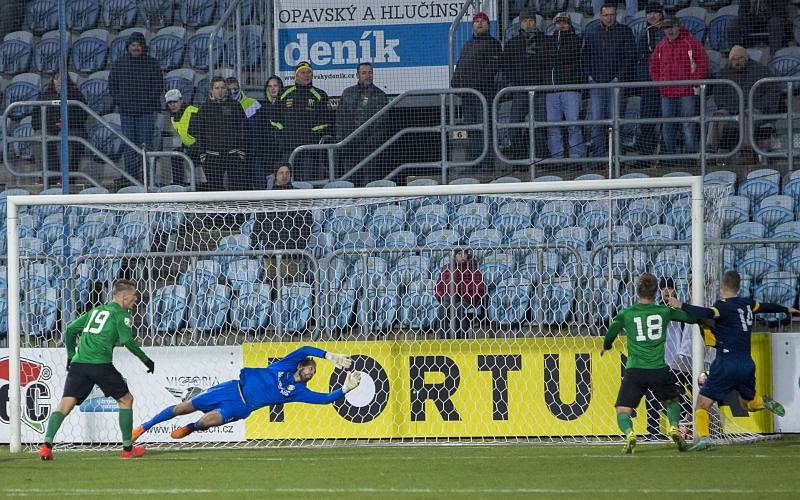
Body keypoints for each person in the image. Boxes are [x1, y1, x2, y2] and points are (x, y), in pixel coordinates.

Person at [666, 270, 798, 451]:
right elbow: (765, 306)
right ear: (739, 287)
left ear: (721, 287)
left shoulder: (722, 306)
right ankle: (763, 401)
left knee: (701, 405)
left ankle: (704, 438)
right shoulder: (748, 304)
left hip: (726, 362)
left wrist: (680, 304)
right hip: (746, 363)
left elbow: (705, 312)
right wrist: (785, 309)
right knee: (747, 404)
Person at [132, 346, 361, 441]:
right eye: (311, 368)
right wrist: (328, 356)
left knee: (206, 421)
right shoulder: (284, 366)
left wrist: (345, 389)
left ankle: (191, 429)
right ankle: (144, 427)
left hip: (241, 407)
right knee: (183, 407)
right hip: (231, 388)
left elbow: (324, 399)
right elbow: (304, 350)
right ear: (300, 366)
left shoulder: (298, 392)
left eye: (314, 372)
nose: (312, 372)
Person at [38, 280, 155, 460]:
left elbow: (70, 330)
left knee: (66, 404)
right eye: (133, 297)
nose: (135, 301)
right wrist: (146, 360)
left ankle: (46, 446)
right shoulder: (121, 314)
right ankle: (127, 449)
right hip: (101, 365)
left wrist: (70, 355)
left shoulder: (96, 310)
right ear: (123, 297)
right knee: (126, 399)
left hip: (79, 364)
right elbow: (127, 341)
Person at [601, 273, 697, 454]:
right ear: (655, 293)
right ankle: (674, 427)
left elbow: (611, 333)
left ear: (637, 291)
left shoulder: (626, 313)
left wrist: (606, 346)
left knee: (623, 409)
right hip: (658, 369)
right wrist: (682, 306)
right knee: (672, 401)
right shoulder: (664, 311)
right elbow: (690, 318)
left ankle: (629, 434)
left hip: (635, 370)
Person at [108, 31, 164, 186]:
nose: (136, 48)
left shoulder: (152, 64)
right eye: (133, 45)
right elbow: (112, 86)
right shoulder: (119, 64)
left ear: (143, 46)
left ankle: (147, 177)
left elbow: (158, 86)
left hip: (146, 112)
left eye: (138, 45)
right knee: (129, 146)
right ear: (128, 47)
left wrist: (147, 102)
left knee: (146, 144)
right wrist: (121, 101)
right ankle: (131, 178)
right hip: (126, 113)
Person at [581, 4, 636, 157]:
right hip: (597, 83)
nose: (609, 17)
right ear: (601, 16)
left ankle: (617, 155)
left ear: (615, 15)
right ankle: (599, 156)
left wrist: (619, 77)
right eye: (606, 15)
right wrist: (590, 76)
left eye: (612, 14)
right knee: (597, 121)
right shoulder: (592, 33)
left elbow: (630, 57)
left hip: (616, 83)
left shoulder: (625, 31)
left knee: (615, 121)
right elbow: (585, 57)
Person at [649, 15, 708, 156]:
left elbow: (703, 63)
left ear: (678, 26)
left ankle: (690, 155)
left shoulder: (691, 43)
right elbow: (653, 67)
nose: (669, 31)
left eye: (671, 27)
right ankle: (670, 155)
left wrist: (693, 80)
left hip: (686, 92)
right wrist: (660, 83)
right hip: (667, 93)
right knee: (668, 125)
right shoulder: (660, 46)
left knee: (688, 124)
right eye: (666, 28)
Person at [708, 46, 779, 161]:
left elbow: (773, 93)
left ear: (746, 58)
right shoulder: (723, 73)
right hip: (731, 112)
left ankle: (746, 152)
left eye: (740, 58)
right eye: (734, 59)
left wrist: (762, 107)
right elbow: (718, 97)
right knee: (718, 115)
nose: (737, 62)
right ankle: (710, 152)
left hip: (757, 111)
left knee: (746, 114)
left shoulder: (761, 71)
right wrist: (734, 109)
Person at [451, 11, 502, 168]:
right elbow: (460, 66)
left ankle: (486, 164)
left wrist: (473, 84)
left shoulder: (493, 44)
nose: (479, 23)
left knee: (485, 128)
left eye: (483, 21)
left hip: (484, 94)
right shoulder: (468, 44)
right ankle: (474, 162)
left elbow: (491, 69)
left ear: (488, 25)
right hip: (469, 96)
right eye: (476, 21)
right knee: (472, 129)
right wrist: (455, 83)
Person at [272, 61, 333, 181]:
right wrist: (282, 133)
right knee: (286, 180)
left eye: (309, 72)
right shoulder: (284, 93)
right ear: (296, 75)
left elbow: (326, 121)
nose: (306, 75)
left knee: (306, 179)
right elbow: (274, 118)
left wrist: (311, 134)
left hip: (309, 149)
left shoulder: (320, 95)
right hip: (287, 147)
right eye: (303, 72)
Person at [188, 76, 249, 191]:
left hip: (233, 156)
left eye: (223, 88)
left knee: (237, 190)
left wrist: (242, 150)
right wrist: (202, 153)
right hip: (212, 157)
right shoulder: (205, 108)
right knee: (215, 190)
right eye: (217, 88)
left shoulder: (235, 106)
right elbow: (199, 131)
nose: (220, 91)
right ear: (211, 90)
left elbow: (243, 129)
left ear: (227, 89)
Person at [502, 8, 547, 160]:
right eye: (525, 21)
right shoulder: (512, 43)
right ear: (520, 23)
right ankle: (519, 159)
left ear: (535, 22)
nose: (528, 24)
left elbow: (550, 62)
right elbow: (506, 66)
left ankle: (541, 160)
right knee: (514, 127)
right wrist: (515, 81)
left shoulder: (544, 40)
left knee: (540, 127)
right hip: (520, 91)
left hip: (540, 91)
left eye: (531, 20)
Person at [335, 62, 388, 185]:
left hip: (369, 148)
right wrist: (341, 142)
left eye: (370, 72)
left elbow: (381, 124)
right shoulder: (347, 93)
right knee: (349, 180)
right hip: (348, 147)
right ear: (357, 75)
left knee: (369, 181)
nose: (367, 75)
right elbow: (339, 120)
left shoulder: (380, 95)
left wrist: (371, 143)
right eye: (364, 73)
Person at [32, 72, 88, 182]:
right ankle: (43, 175)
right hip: (50, 130)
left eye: (62, 81)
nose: (59, 84)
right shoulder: (44, 96)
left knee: (61, 137)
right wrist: (52, 125)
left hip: (72, 129)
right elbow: (35, 121)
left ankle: (64, 177)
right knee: (38, 136)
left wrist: (67, 124)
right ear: (53, 81)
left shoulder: (76, 96)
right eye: (57, 81)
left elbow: (82, 117)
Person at [543, 12, 585, 160]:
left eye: (565, 22)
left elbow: (567, 56)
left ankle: (576, 157)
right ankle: (557, 157)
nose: (562, 25)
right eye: (559, 22)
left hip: (571, 89)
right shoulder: (548, 41)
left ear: (569, 24)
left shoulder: (576, 40)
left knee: (573, 125)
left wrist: (556, 55)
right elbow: (545, 60)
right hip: (551, 90)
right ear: (554, 24)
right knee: (553, 127)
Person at [659, 278, 693, 424]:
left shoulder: (682, 307)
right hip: (666, 359)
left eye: (670, 287)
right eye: (663, 288)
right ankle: (688, 415)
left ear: (675, 289)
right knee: (667, 393)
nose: (667, 291)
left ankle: (692, 414)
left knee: (692, 389)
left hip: (684, 357)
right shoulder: (657, 309)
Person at [633, 3, 665, 156]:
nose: (652, 16)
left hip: (667, 84)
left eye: (655, 12)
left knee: (668, 121)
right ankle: (645, 154)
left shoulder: (667, 30)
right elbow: (639, 59)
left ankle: (668, 155)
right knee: (647, 120)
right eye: (649, 13)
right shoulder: (643, 33)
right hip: (649, 85)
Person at [435, 249, 485, 339]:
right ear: (454, 256)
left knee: (459, 308)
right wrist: (443, 297)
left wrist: (466, 297)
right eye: (459, 254)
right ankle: (444, 338)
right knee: (442, 308)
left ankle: (460, 338)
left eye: (464, 254)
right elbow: (439, 287)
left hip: (466, 300)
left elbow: (479, 289)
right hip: (449, 299)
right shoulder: (446, 269)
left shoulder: (474, 270)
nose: (462, 256)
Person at [253, 75, 284, 185]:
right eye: (270, 86)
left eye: (275, 85)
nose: (273, 89)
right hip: (267, 152)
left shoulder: (286, 106)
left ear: (280, 87)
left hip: (283, 151)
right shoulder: (262, 108)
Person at [164, 89, 199, 186]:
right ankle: (178, 186)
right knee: (175, 155)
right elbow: (184, 134)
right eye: (170, 103)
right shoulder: (173, 116)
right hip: (190, 147)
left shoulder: (192, 112)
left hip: (202, 147)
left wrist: (191, 148)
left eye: (175, 101)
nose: (172, 105)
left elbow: (201, 135)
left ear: (181, 100)